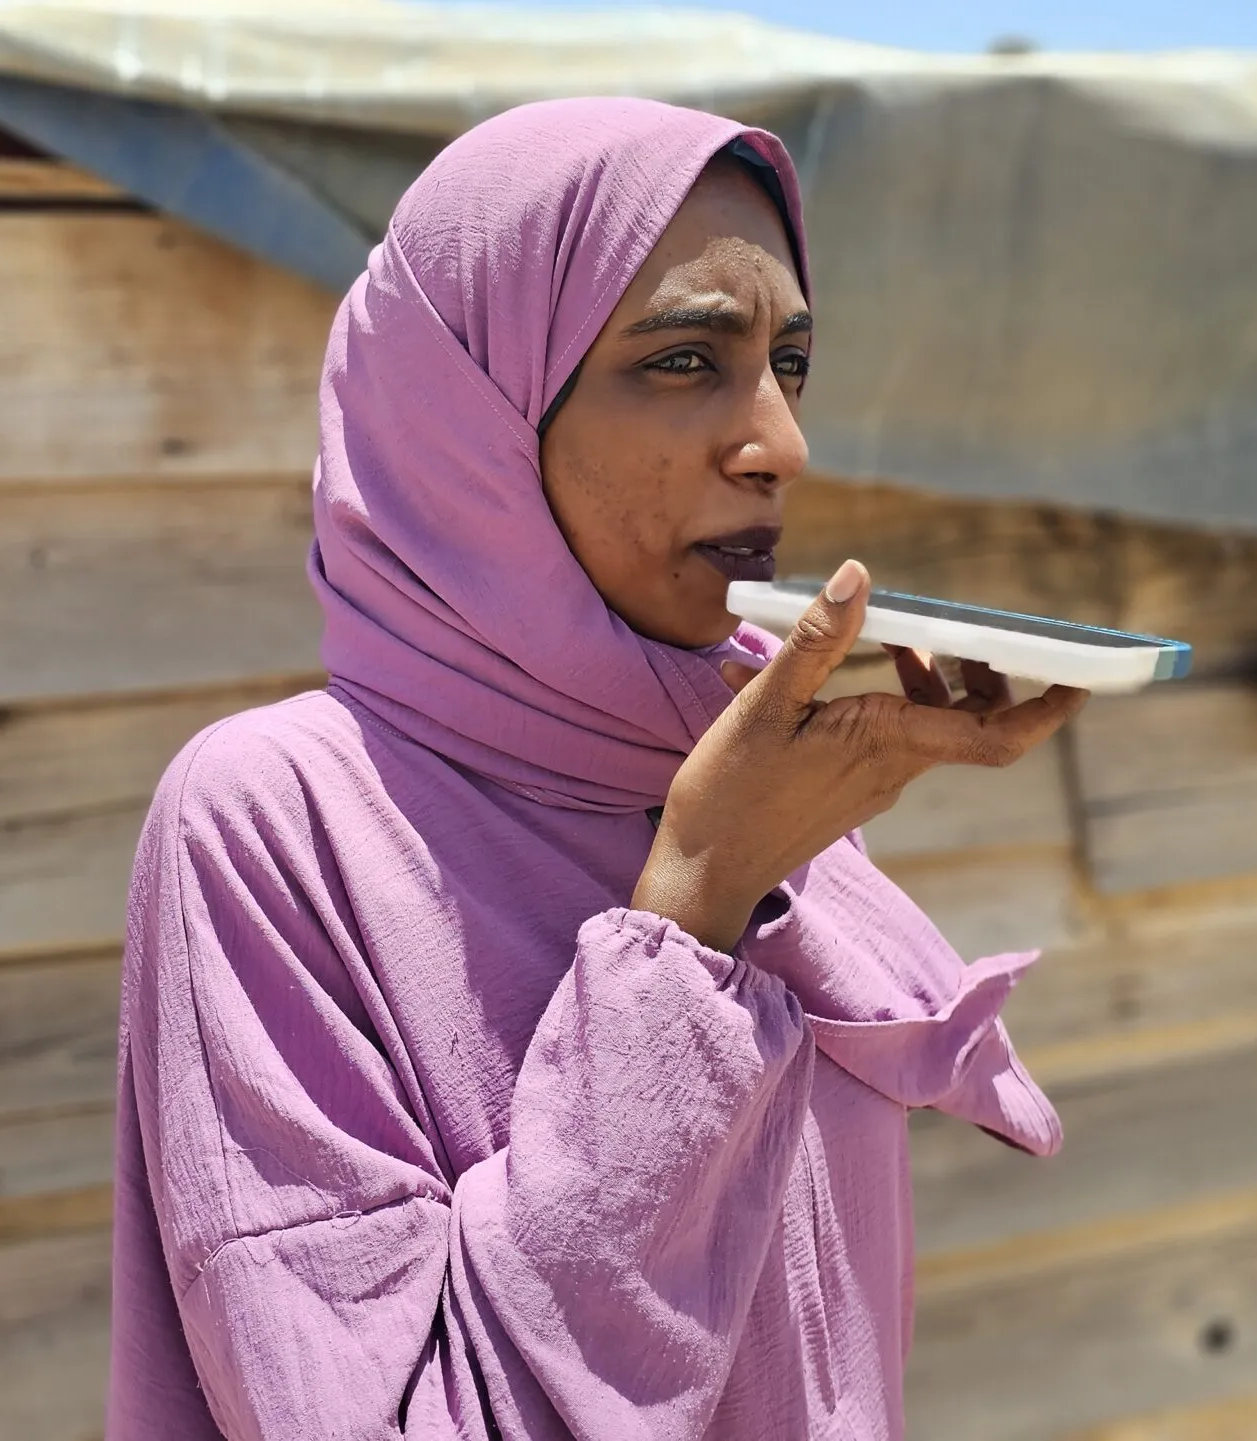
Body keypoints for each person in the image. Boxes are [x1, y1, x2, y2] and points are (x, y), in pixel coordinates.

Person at [110, 96, 1088, 1440]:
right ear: (474, 421)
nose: (780, 446)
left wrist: (745, 844)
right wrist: (692, 903)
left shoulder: (730, 758)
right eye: (685, 362)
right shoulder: (275, 819)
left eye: (790, 364)